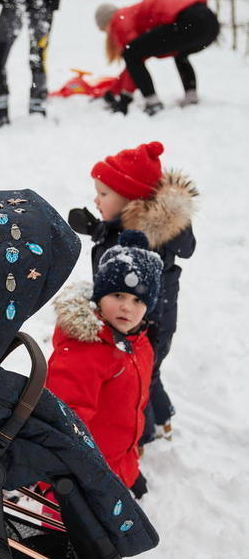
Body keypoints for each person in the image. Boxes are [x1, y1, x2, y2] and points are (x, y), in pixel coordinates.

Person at [68, 141, 197, 446]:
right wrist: (97, 228)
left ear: (131, 201)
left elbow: (125, 282)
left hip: (145, 324)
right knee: (149, 372)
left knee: (137, 378)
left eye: (104, 194)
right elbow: (118, 235)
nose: (96, 199)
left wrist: (104, 234)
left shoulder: (138, 247)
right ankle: (163, 417)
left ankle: (141, 435)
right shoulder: (140, 230)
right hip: (149, 320)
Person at [47, 231, 163, 497]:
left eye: (138, 300)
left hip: (116, 465)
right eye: (118, 295)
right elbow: (63, 424)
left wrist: (128, 470)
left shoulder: (139, 343)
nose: (127, 308)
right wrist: (65, 486)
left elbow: (132, 411)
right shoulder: (84, 350)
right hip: (80, 478)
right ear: (100, 296)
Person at [95, 0, 220, 116]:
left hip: (188, 20)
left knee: (131, 53)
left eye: (104, 30)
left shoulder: (119, 18)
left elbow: (133, 59)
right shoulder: (132, 14)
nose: (108, 35)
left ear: (107, 21)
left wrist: (124, 97)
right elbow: (136, 63)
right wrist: (115, 90)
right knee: (179, 53)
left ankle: (153, 102)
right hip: (210, 23)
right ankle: (191, 95)